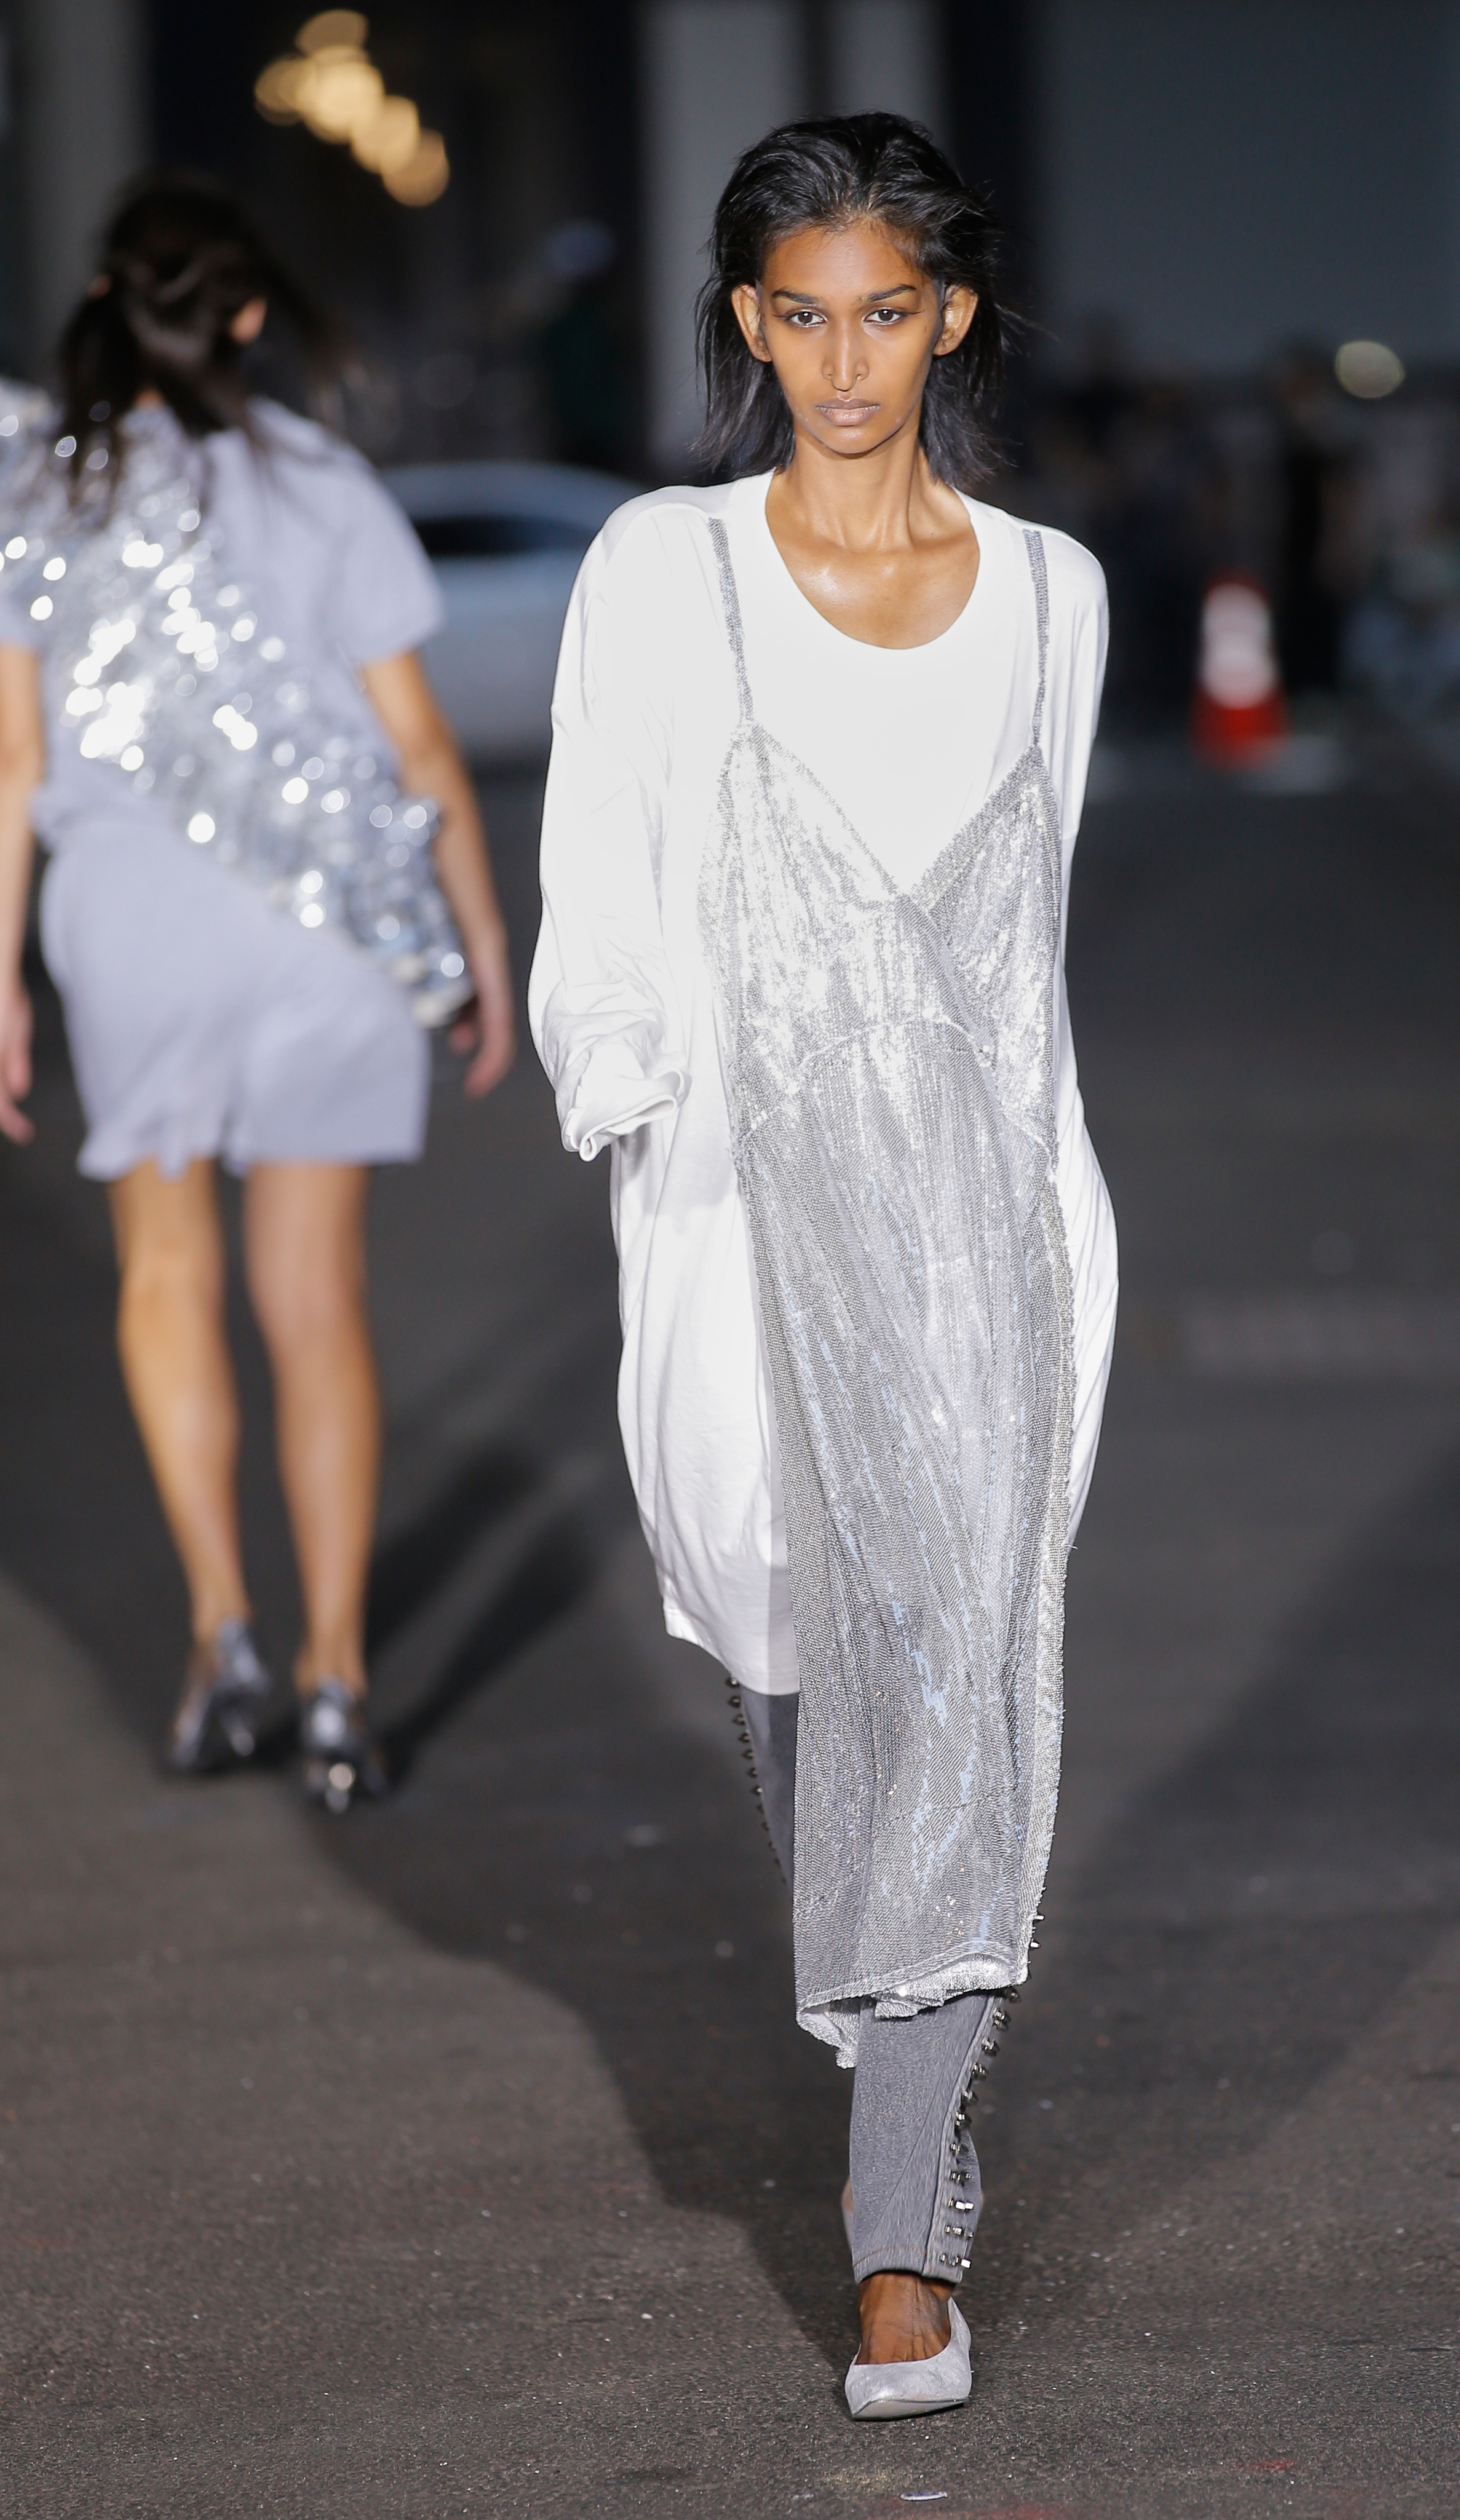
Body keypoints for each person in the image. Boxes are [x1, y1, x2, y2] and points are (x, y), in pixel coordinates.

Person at [531, 114, 1117, 2416]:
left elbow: (1027, 945)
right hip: (730, 1213)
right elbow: (598, 858)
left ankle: (896, 2243)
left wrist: (1037, 1202)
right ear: (747, 324)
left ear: (949, 315)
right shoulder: (658, 568)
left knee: (948, 1677)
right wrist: (618, 1070)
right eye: (801, 316)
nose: (846, 363)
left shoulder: (1054, 595)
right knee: (797, 1650)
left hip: (982, 1229)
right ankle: (911, 2060)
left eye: (887, 313)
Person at [0, 175, 514, 1805]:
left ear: (106, 302)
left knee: (166, 1273)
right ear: (245, 315)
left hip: (132, 924)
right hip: (326, 938)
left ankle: (222, 1630)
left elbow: (12, 759)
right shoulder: (323, 481)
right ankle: (338, 1679)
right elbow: (419, 744)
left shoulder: (43, 486)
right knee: (315, 1299)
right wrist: (478, 947)